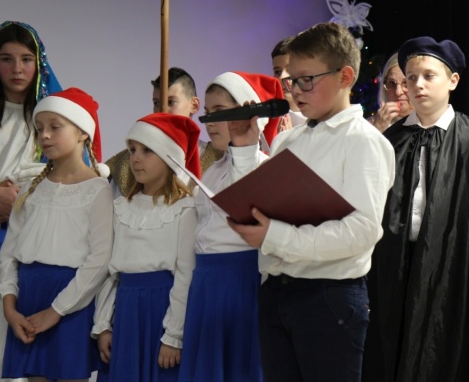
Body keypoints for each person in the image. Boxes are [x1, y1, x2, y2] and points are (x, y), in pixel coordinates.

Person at [226, 22, 396, 382]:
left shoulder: (363, 141)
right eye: (290, 81)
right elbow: (260, 203)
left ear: (345, 76)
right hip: (276, 291)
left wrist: (274, 236)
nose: (294, 90)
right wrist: (243, 148)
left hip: (328, 296)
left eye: (307, 80)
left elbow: (362, 231)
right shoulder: (289, 141)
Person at [362, 36, 469, 382]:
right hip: (396, 259)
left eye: (428, 76)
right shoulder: (393, 137)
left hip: (450, 264)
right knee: (392, 338)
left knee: (441, 344)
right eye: (411, 78)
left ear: (453, 81)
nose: (417, 85)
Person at [0, 87, 113, 381]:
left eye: (55, 127)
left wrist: (57, 310)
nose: (44, 135)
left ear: (82, 133)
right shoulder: (30, 190)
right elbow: (8, 255)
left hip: (71, 301)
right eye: (39, 128)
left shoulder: (98, 190)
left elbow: (99, 261)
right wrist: (10, 307)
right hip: (29, 298)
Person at [178, 72, 283, 382]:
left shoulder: (264, 166)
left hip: (240, 281)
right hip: (206, 282)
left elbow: (248, 212)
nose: (210, 122)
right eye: (207, 113)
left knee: (238, 367)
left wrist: (244, 151)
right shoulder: (213, 170)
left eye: (220, 112)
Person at [0, 20, 62, 382]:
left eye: (26, 59)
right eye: (7, 59)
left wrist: (20, 201)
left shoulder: (54, 122)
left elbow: (75, 178)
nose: (17, 69)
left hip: (29, 242)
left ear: (38, 63)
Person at [92, 113, 201, 382]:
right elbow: (110, 273)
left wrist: (173, 336)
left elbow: (185, 276)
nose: (136, 158)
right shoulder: (121, 207)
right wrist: (103, 324)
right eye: (132, 150)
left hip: (161, 309)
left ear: (169, 157)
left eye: (147, 150)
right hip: (126, 311)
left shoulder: (184, 209)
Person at [106, 67, 222, 198]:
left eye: (171, 102)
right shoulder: (126, 163)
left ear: (194, 105)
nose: (162, 112)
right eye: (157, 103)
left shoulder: (217, 159)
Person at [368, 52, 414, 134]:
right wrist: (377, 130)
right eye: (392, 83)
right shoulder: (371, 126)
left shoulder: (434, 126)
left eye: (406, 83)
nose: (398, 92)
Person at [271, 37, 307, 129]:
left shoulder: (323, 119)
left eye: (290, 69)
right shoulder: (269, 120)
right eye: (277, 72)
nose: (281, 77)